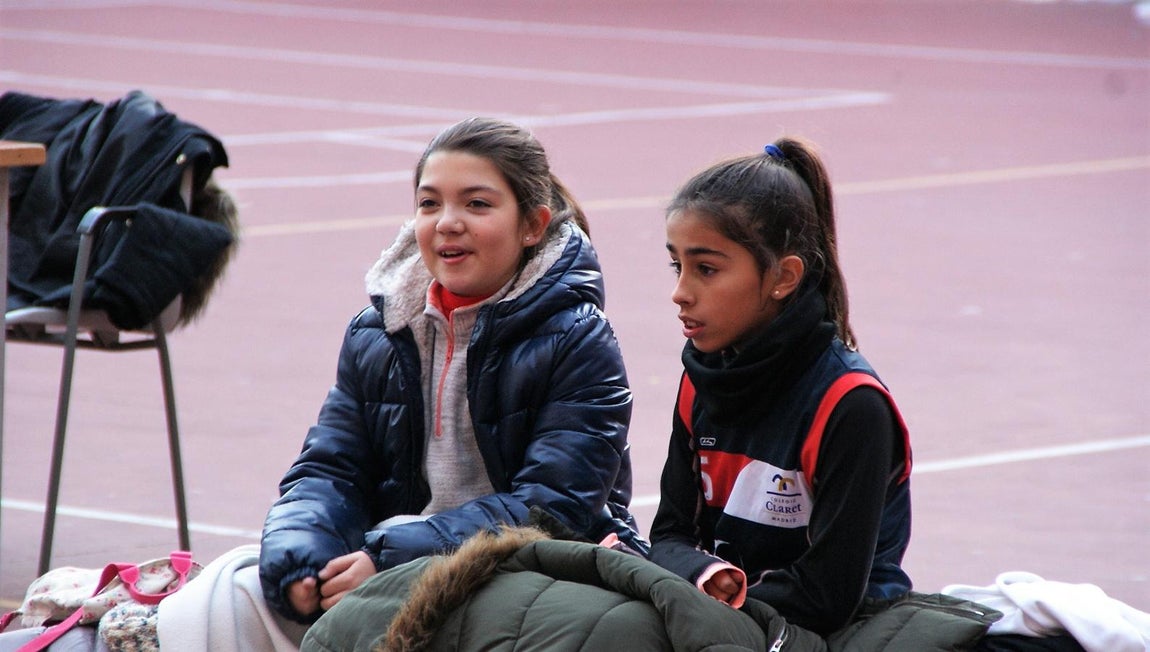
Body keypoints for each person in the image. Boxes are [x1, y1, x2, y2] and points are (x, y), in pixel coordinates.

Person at [259, 117, 647, 624]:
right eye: (429, 203)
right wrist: (303, 559)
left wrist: (390, 557)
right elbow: (331, 469)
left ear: (532, 225)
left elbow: (552, 509)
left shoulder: (577, 337)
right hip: (392, 553)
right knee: (230, 595)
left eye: (477, 203)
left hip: (533, 571)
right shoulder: (376, 332)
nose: (447, 221)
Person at [648, 137, 914, 637]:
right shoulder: (701, 380)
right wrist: (704, 577)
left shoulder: (849, 405)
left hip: (843, 632)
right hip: (726, 617)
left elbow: (827, 595)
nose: (680, 292)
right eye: (676, 265)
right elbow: (668, 535)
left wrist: (716, 597)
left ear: (783, 277)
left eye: (706, 268)